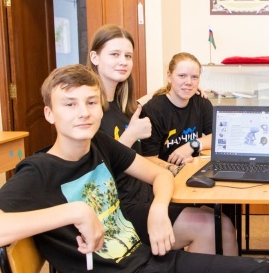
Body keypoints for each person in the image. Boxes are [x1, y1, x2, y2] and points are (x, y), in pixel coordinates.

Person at [0, 64, 269, 273]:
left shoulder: (100, 144)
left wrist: (159, 209)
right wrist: (74, 211)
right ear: (49, 113)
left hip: (150, 264)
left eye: (91, 102)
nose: (83, 112)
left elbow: (160, 174)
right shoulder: (38, 172)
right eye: (69, 104)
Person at [87, 24, 238, 256]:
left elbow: (156, 101)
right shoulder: (88, 110)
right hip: (118, 209)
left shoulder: (128, 107)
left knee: (223, 224)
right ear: (95, 57)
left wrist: (184, 87)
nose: (123, 61)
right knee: (212, 227)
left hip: (146, 194)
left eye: (128, 56)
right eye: (114, 54)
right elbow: (93, 173)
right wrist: (131, 135)